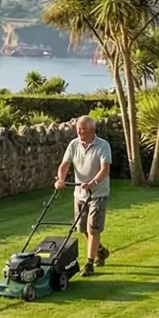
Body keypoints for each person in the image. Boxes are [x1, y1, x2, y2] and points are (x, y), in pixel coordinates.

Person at [55, 116, 112, 271]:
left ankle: (89, 263)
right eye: (78, 129)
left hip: (98, 193)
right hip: (79, 193)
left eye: (83, 129)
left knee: (93, 228)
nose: (80, 131)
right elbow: (64, 165)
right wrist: (60, 179)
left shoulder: (103, 145)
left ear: (92, 130)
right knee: (82, 229)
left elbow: (105, 169)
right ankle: (100, 251)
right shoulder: (73, 145)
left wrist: (93, 182)